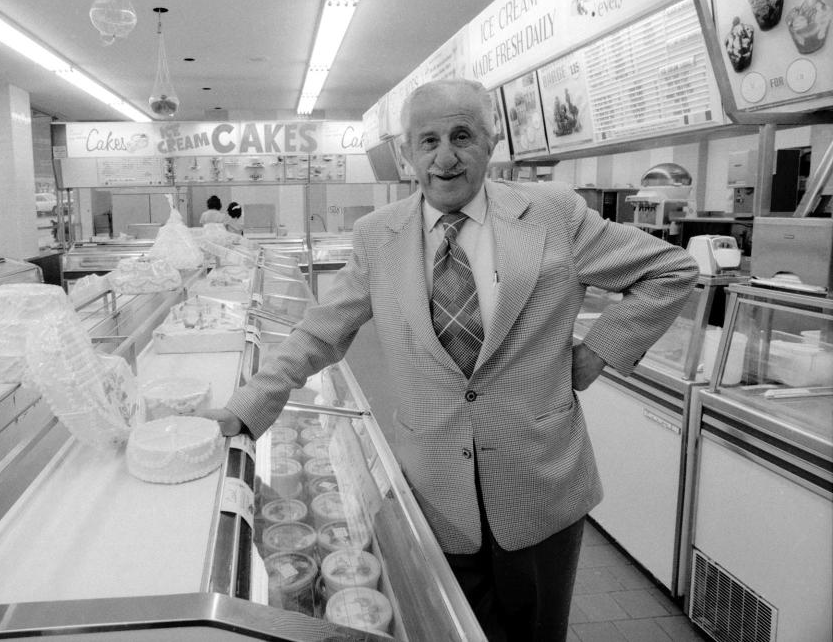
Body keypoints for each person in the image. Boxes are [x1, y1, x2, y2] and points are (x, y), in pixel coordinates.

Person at [202, 78, 698, 641]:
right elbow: (320, 330)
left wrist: (600, 352)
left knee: (536, 633)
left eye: (462, 135)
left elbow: (671, 270)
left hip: (540, 485)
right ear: (407, 153)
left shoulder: (554, 214)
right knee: (446, 629)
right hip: (435, 485)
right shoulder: (378, 236)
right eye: (427, 140)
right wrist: (248, 406)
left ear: (490, 143)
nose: (445, 156)